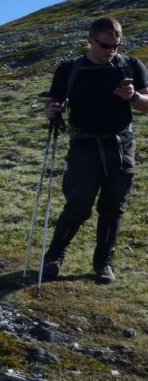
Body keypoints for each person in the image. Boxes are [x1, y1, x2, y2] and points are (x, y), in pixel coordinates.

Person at [42, 16, 148, 284]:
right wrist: (52, 110)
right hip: (83, 145)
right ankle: (53, 257)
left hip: (121, 145)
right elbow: (56, 103)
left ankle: (104, 264)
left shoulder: (132, 66)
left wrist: (133, 97)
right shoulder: (69, 70)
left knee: (113, 206)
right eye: (105, 45)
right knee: (78, 204)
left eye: (116, 45)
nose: (111, 51)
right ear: (90, 40)